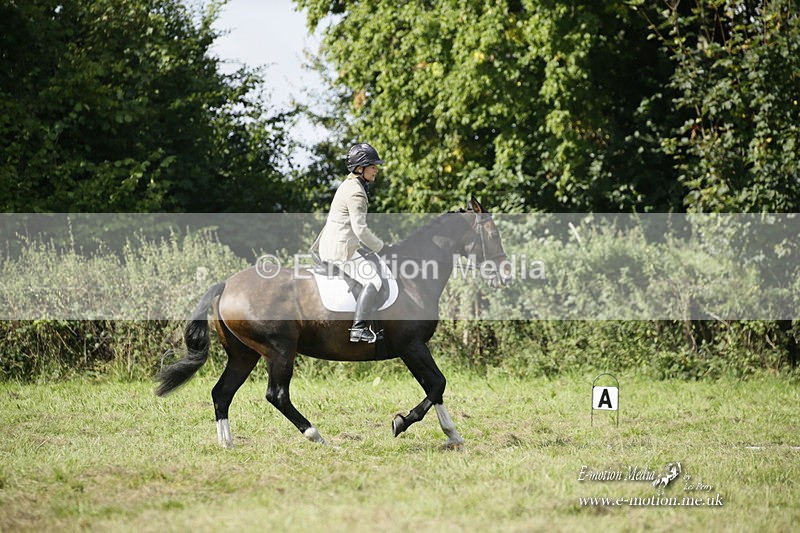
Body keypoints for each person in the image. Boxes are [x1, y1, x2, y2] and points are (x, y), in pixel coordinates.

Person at [312, 143, 388, 343]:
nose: (376, 170)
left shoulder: (350, 184)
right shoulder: (356, 192)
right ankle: (359, 328)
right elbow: (360, 229)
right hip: (340, 249)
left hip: (335, 242)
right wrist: (382, 247)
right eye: (373, 166)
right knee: (374, 280)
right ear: (360, 168)